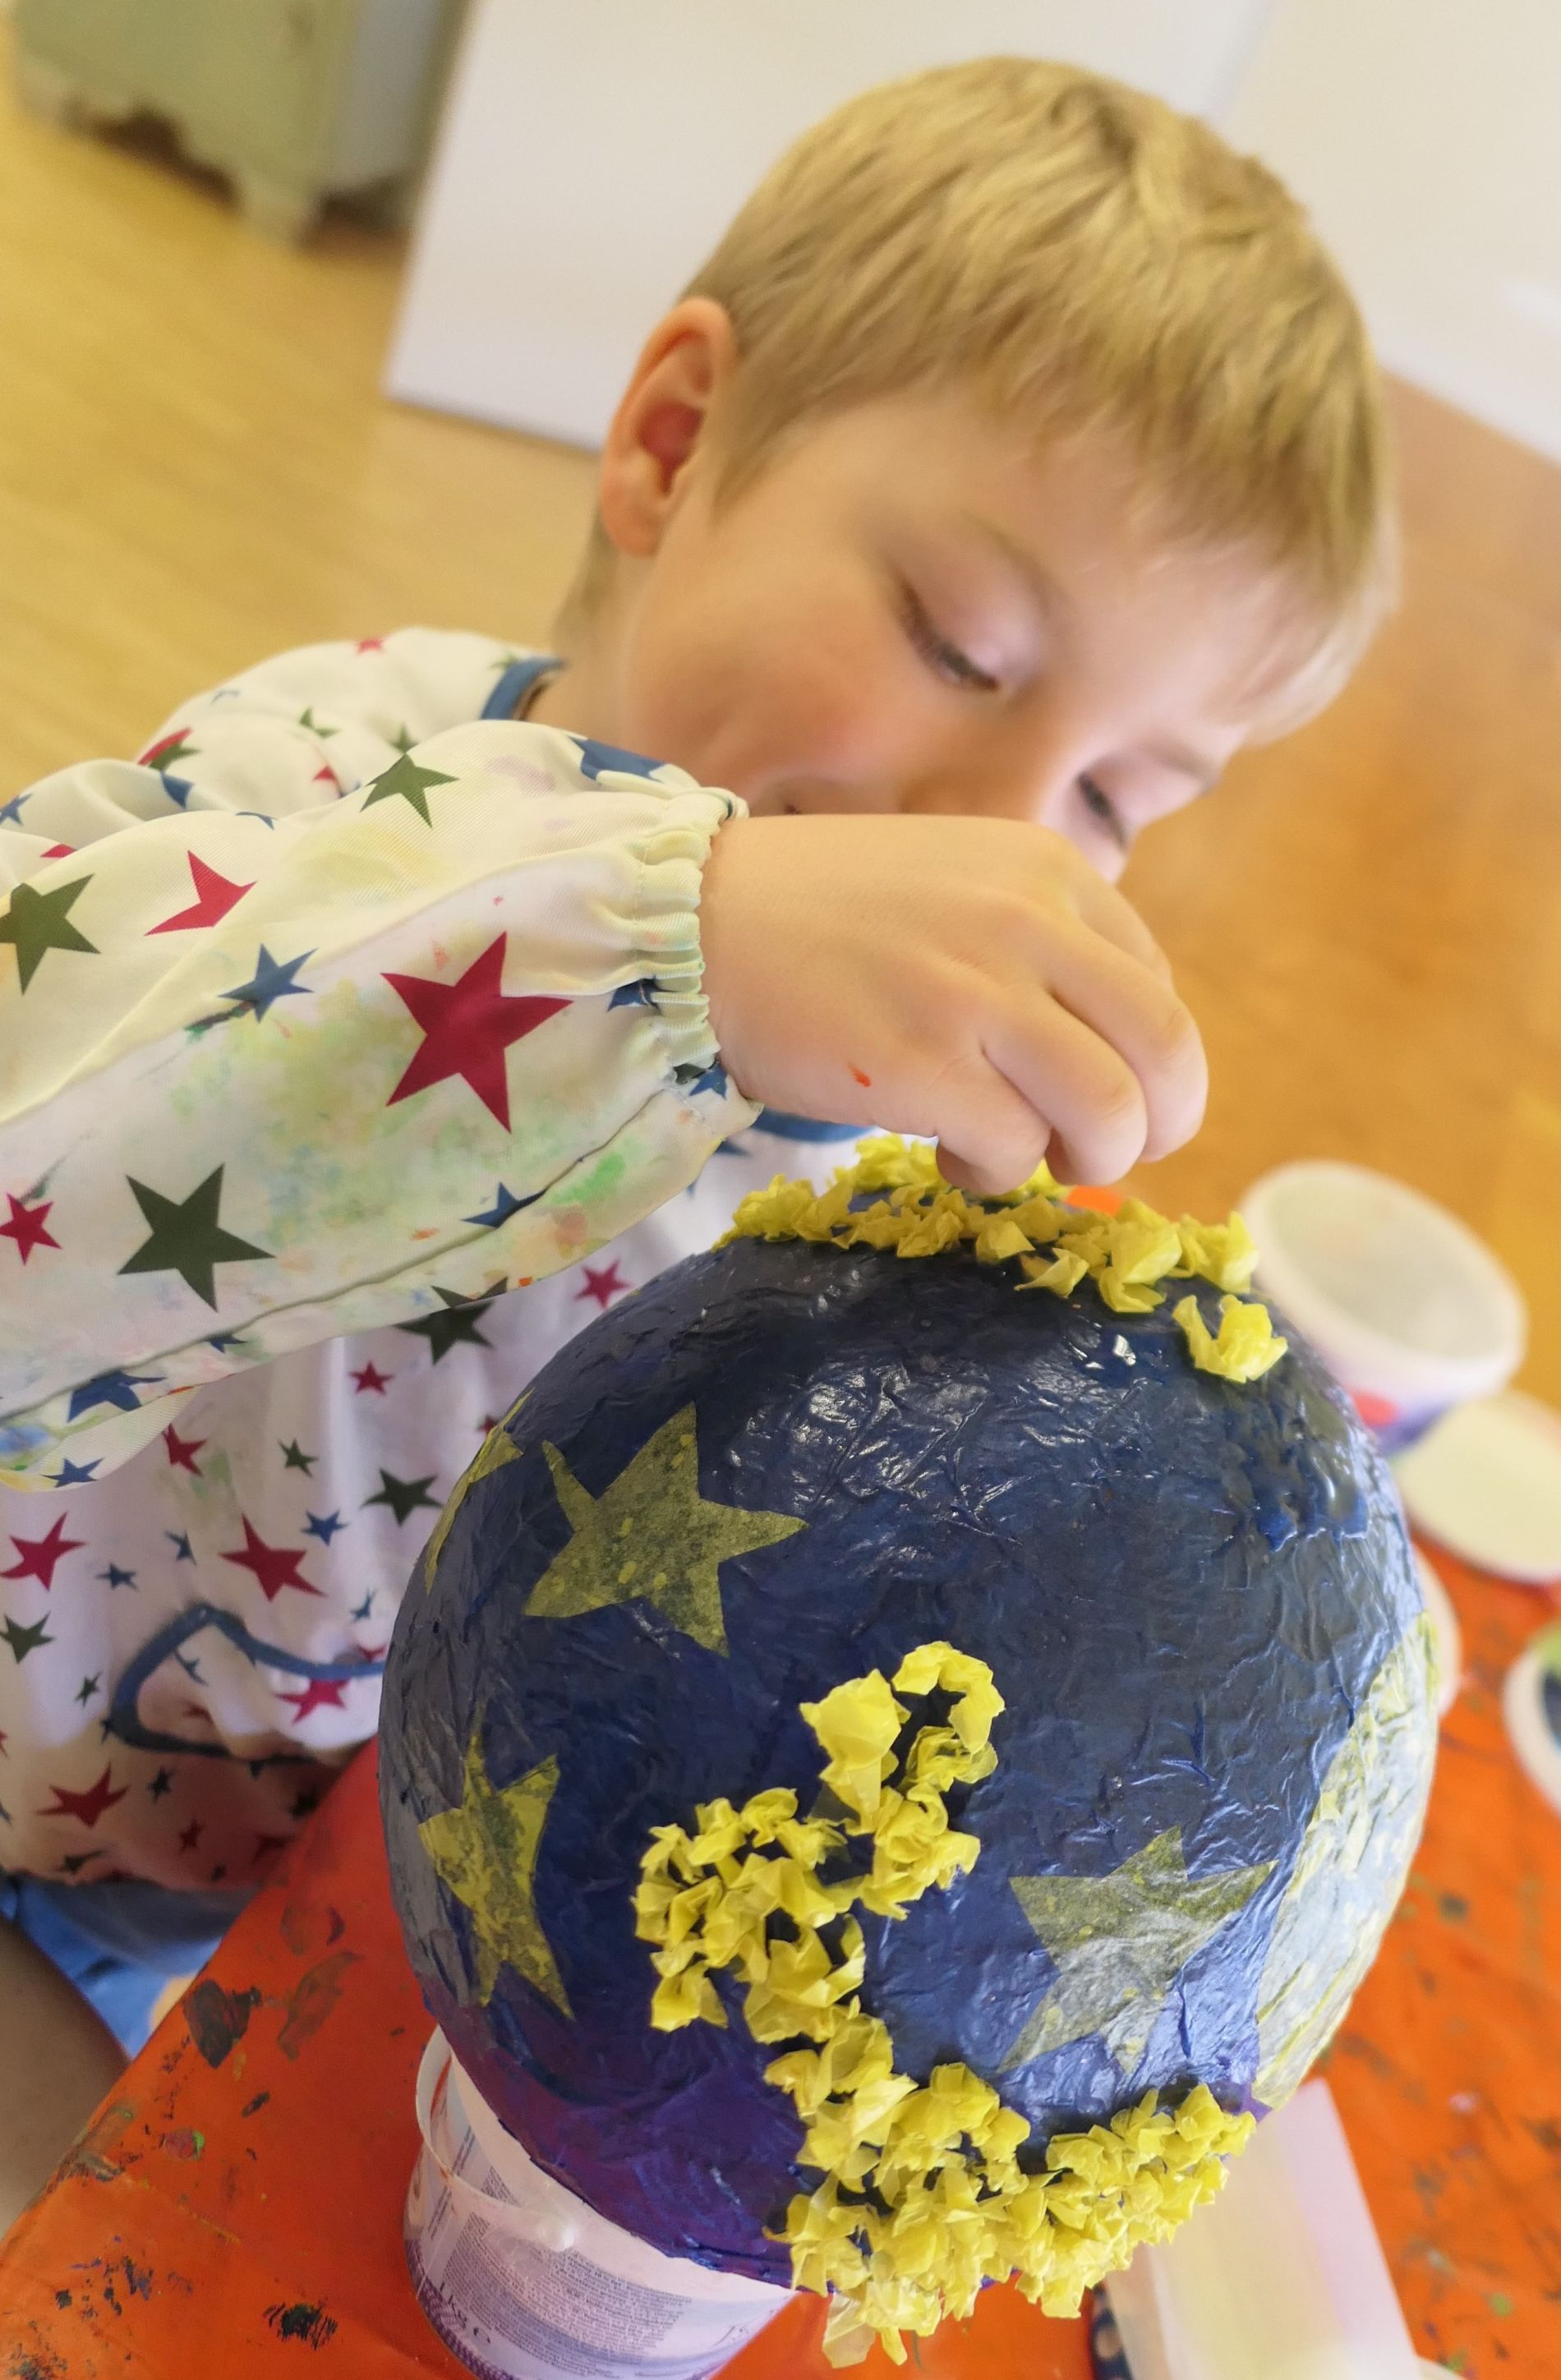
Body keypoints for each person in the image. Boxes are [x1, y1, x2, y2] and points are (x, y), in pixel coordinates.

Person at [0, 55, 1391, 2222]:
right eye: (959, 647)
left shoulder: (868, 1160)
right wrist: (679, 939)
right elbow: (62, 1099)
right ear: (670, 443)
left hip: (306, 1904)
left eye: (1123, 792)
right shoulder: (345, 783)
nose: (1009, 830)